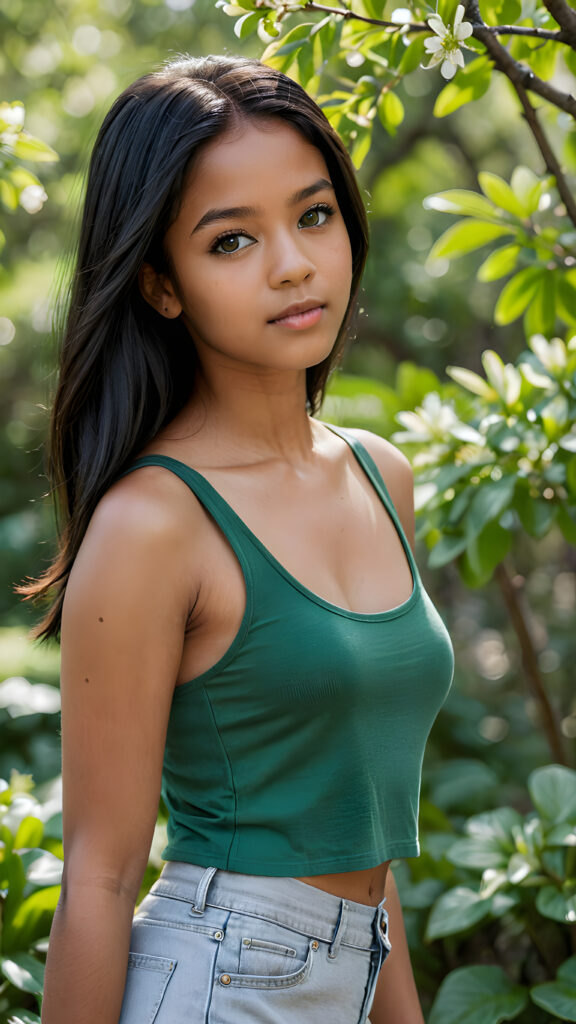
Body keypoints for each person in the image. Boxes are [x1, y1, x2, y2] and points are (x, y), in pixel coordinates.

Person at [21, 54, 454, 1024]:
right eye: (230, 241)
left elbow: (358, 841)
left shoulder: (382, 476)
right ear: (161, 285)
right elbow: (100, 873)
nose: (293, 263)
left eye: (313, 215)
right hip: (219, 982)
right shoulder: (152, 525)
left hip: (350, 968)